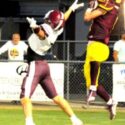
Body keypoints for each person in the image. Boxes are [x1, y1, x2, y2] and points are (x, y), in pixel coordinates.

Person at [20, 1, 84, 125]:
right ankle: (75, 119)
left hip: (36, 64)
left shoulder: (47, 28)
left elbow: (42, 35)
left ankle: (29, 123)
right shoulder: (58, 29)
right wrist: (71, 8)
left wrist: (35, 27)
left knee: (24, 97)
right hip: (44, 65)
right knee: (56, 97)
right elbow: (62, 18)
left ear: (49, 21)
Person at [83, 0, 121, 120]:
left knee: (92, 84)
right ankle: (110, 101)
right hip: (93, 45)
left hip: (99, 44)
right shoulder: (111, 7)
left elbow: (87, 17)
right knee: (89, 81)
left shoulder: (108, 5)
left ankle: (93, 89)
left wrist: (90, 8)